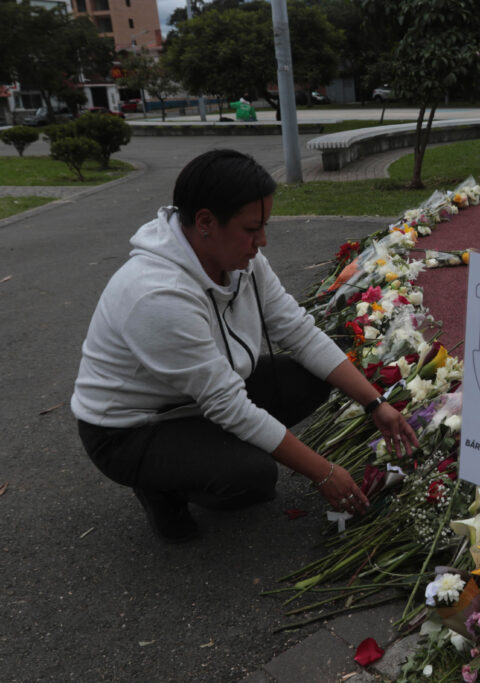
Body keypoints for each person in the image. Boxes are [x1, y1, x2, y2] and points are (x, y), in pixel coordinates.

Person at [71, 149, 419, 542]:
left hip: (194, 398)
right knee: (252, 477)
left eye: (264, 225)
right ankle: (161, 486)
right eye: (252, 229)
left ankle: (201, 452)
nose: (262, 241)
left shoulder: (241, 260)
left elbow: (298, 330)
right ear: (205, 222)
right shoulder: (156, 296)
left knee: (312, 376)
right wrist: (323, 472)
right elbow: (227, 405)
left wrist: (376, 404)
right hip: (130, 429)